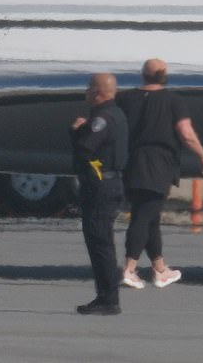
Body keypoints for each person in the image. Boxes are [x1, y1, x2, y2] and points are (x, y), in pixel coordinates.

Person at [117, 58, 203, 289]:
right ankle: (129, 268)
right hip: (159, 164)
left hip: (132, 162)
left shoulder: (125, 98)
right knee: (143, 216)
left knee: (150, 217)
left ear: (143, 74)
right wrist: (201, 154)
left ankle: (160, 269)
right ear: (164, 75)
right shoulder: (173, 100)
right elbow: (185, 132)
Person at [70, 73, 128, 315]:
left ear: (97, 92)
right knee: (102, 239)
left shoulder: (102, 119)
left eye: (89, 88)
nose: (86, 93)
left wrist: (77, 131)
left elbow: (86, 148)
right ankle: (106, 295)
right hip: (111, 183)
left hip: (101, 186)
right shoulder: (118, 114)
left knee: (99, 240)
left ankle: (108, 298)